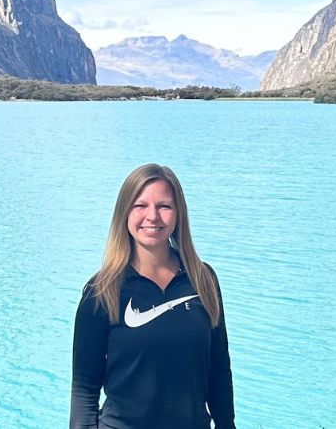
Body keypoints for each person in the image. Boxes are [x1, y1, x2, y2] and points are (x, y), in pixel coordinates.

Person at [70, 163, 235, 429]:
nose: (153, 216)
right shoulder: (102, 291)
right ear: (124, 213)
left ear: (178, 214)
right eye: (140, 206)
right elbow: (84, 389)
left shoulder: (203, 279)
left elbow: (219, 369)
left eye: (164, 206)